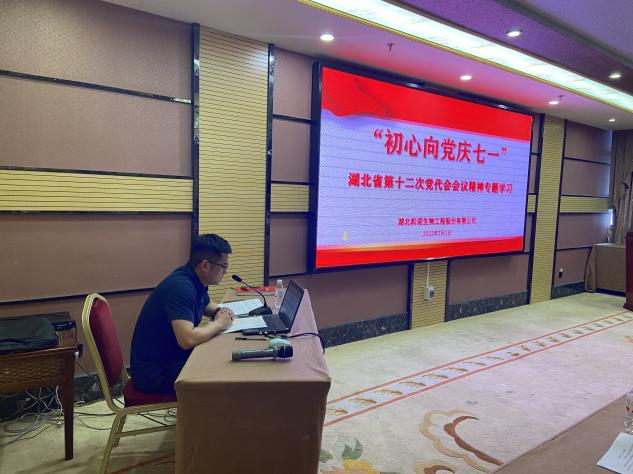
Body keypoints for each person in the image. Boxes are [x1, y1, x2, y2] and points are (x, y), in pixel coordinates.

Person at [130, 233, 235, 394]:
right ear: (205, 265)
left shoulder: (194, 278)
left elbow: (205, 304)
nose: (225, 272)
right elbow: (188, 339)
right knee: (223, 368)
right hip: (154, 373)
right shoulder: (182, 287)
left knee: (221, 354)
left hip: (171, 358)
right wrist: (220, 323)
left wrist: (219, 311)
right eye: (224, 267)